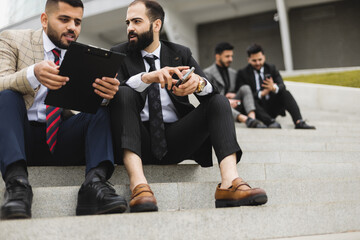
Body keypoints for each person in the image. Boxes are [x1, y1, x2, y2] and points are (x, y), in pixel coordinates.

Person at [109, 0, 267, 212]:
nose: (130, 28)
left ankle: (230, 183)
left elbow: (211, 92)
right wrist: (146, 78)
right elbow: (111, 95)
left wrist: (198, 84)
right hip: (136, 139)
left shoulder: (180, 52)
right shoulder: (118, 54)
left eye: (137, 21)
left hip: (177, 138)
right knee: (124, 92)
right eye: (128, 22)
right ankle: (138, 185)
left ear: (156, 25)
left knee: (218, 101)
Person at [0, 0, 127, 220]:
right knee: (8, 96)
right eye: (64, 19)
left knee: (99, 110)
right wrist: (33, 74)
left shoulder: (83, 56)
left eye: (77, 22)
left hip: (59, 138)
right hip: (21, 137)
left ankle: (94, 186)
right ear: (44, 19)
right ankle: (17, 185)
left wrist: (105, 95)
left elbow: (86, 106)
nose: (72, 28)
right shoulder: (11, 39)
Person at [236, 44, 316, 129]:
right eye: (254, 61)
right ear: (248, 60)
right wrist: (261, 94)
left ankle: (299, 121)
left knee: (285, 93)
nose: (258, 63)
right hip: (257, 109)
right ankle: (270, 122)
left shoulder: (271, 68)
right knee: (251, 100)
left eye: (260, 59)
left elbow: (282, 85)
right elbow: (244, 95)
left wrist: (273, 88)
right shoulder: (242, 73)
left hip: (272, 105)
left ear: (264, 57)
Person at [204, 42, 265, 128]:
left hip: (235, 105)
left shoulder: (233, 73)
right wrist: (226, 101)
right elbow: (208, 97)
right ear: (217, 56)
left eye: (231, 56)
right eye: (227, 56)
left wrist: (233, 96)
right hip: (218, 107)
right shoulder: (207, 73)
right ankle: (245, 120)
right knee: (218, 103)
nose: (230, 59)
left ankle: (252, 119)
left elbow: (236, 91)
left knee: (245, 88)